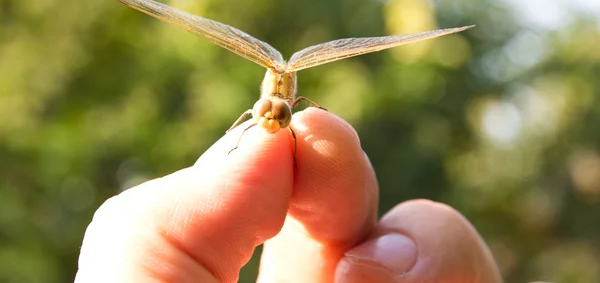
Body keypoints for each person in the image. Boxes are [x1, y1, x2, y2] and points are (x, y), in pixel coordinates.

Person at [74, 108, 505, 283]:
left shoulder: (291, 117)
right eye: (267, 114)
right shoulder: (149, 252)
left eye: (278, 114)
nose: (272, 120)